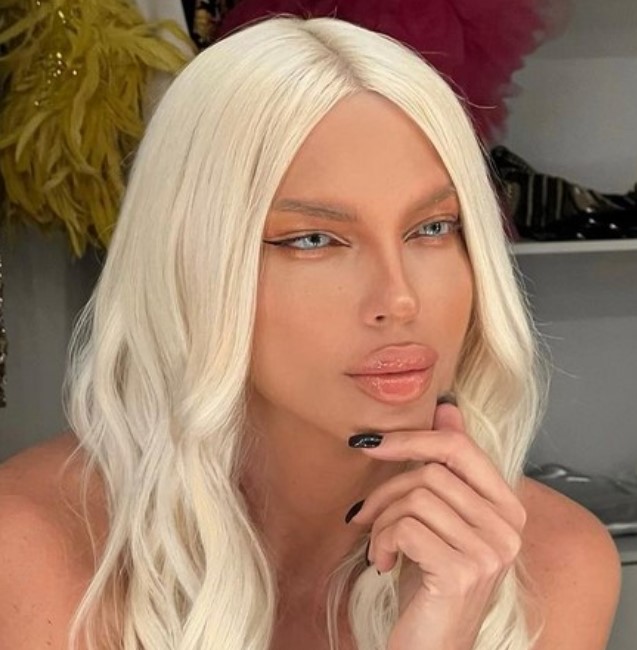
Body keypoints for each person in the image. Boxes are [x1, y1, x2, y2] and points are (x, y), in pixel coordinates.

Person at [0, 14, 621, 650]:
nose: (399, 299)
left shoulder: (556, 564)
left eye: (432, 228)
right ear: (194, 263)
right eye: (314, 239)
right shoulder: (30, 550)